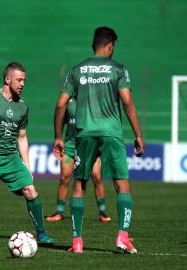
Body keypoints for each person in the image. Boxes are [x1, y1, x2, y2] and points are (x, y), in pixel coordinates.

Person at [53, 27, 145, 254]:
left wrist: (58, 137)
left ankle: (77, 242)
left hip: (84, 133)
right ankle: (122, 236)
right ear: (111, 45)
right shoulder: (118, 69)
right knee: (121, 182)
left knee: (79, 183)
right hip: (112, 132)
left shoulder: (77, 70)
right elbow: (127, 102)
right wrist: (138, 134)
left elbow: (61, 104)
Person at [0, 62, 53, 243]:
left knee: (30, 190)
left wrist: (27, 166)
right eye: (19, 80)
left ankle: (42, 233)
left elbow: (22, 137)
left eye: (24, 80)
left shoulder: (23, 106)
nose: (22, 84)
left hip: (10, 157)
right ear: (7, 79)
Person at [46, 97, 112, 222]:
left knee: (97, 177)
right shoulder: (68, 102)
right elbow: (60, 121)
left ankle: (103, 212)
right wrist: (58, 138)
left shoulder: (94, 101)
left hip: (90, 147)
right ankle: (59, 212)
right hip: (70, 147)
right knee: (64, 177)